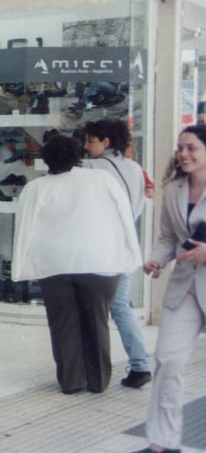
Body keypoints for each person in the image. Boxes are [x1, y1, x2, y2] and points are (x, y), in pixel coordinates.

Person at [11, 135, 141, 394]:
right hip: (100, 263)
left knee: (63, 325)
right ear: (77, 155)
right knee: (97, 321)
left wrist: (20, 269)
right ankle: (98, 380)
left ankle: (71, 381)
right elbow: (124, 217)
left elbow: (24, 230)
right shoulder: (102, 180)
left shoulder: (36, 188)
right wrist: (130, 255)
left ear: (46, 159)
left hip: (55, 265)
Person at [130, 125, 206, 453]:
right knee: (167, 360)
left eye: (192, 148)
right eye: (180, 148)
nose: (184, 154)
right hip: (184, 288)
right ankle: (164, 444)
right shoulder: (174, 190)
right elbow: (166, 238)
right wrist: (156, 260)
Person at [84, 118, 152, 388]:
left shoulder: (90, 168)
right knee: (120, 306)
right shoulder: (135, 168)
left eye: (90, 140)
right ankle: (140, 365)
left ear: (106, 142)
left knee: (95, 309)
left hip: (99, 249)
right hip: (127, 246)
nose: (86, 146)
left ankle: (93, 370)